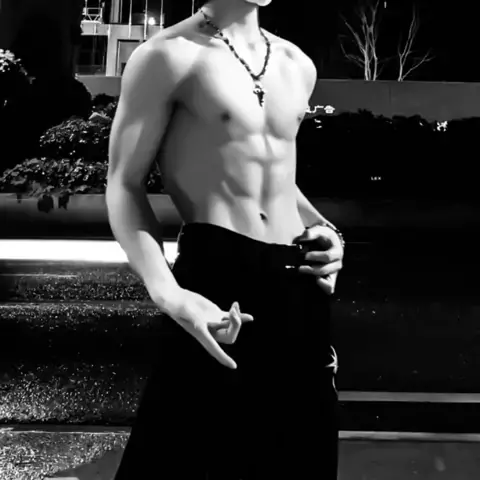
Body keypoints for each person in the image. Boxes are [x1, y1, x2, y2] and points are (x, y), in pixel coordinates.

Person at [106, 0, 345, 478]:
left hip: (298, 280)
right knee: (188, 453)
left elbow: (274, 175)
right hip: (218, 274)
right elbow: (123, 183)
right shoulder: (167, 55)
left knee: (300, 455)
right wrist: (170, 293)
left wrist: (328, 231)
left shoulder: (297, 63)